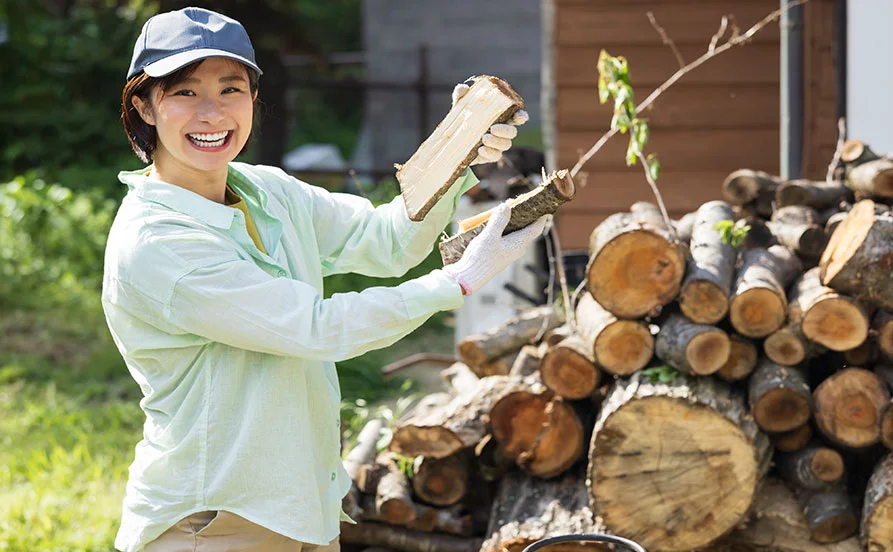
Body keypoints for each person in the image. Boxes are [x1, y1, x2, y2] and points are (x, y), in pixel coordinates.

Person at [103, 6, 547, 552]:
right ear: (143, 106)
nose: (213, 113)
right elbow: (315, 328)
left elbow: (385, 241)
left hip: (300, 508)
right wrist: (453, 283)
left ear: (253, 98)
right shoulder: (158, 242)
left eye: (231, 89)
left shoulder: (267, 192)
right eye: (185, 93)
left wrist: (456, 153)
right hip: (213, 522)